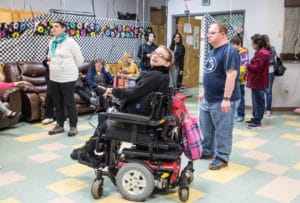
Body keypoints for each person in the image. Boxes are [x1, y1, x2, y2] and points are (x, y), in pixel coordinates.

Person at [70, 45, 173, 166]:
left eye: (161, 55)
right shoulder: (161, 75)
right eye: (155, 53)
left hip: (140, 120)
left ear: (167, 63)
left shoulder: (155, 75)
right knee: (107, 115)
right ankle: (90, 150)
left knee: (105, 121)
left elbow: (133, 93)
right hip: (145, 115)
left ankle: (86, 152)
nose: (155, 55)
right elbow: (137, 92)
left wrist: (113, 91)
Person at [199, 22, 240, 170]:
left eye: (212, 33)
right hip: (208, 98)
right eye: (208, 33)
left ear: (223, 34)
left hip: (222, 100)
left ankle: (222, 157)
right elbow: (211, 72)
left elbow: (232, 74)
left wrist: (226, 98)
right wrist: (204, 91)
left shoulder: (229, 51)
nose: (208, 35)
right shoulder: (212, 51)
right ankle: (208, 150)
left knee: (223, 130)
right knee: (206, 128)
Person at [48, 19, 84, 136]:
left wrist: (70, 69)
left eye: (56, 26)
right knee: (57, 102)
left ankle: (73, 126)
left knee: (69, 102)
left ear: (63, 29)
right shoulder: (52, 42)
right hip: (54, 77)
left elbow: (79, 60)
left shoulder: (70, 42)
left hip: (68, 77)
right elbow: (50, 57)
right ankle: (60, 124)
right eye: (53, 26)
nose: (53, 28)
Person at [245, 34, 272, 128]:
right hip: (257, 81)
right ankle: (255, 118)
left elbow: (257, 68)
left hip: (259, 81)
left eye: (252, 42)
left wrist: (247, 65)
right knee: (255, 101)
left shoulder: (262, 54)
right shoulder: (260, 52)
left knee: (259, 102)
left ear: (257, 43)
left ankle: (257, 122)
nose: (251, 44)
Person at [230, 35, 249, 122]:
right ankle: (233, 113)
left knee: (240, 97)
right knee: (233, 97)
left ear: (239, 44)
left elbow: (244, 67)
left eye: (233, 44)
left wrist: (237, 77)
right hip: (232, 79)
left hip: (239, 80)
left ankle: (241, 114)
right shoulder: (233, 52)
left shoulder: (244, 53)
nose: (232, 46)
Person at [41, 29, 55, 124]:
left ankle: (59, 118)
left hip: (60, 73)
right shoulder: (49, 47)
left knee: (58, 95)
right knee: (50, 94)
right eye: (50, 35)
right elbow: (46, 60)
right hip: (50, 73)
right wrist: (47, 62)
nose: (51, 37)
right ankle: (49, 116)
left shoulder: (62, 46)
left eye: (53, 35)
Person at [264, 35, 277, 117]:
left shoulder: (272, 49)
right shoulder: (259, 49)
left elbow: (271, 61)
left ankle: (268, 110)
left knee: (268, 92)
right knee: (261, 92)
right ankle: (261, 109)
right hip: (261, 73)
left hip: (270, 72)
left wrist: (262, 60)